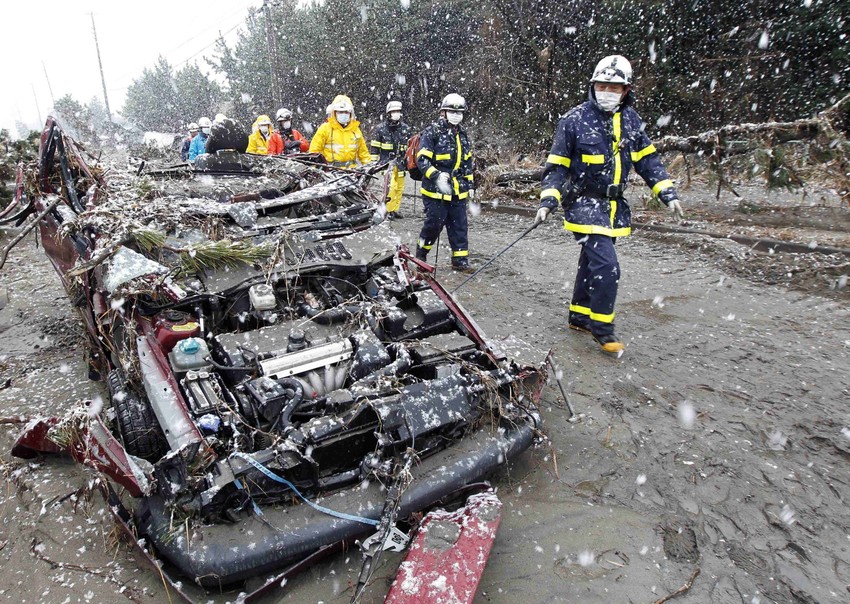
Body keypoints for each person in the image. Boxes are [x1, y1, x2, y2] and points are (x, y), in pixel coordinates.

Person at [534, 54, 685, 354]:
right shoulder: (573, 120)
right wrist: (548, 200)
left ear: (626, 90)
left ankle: (579, 315)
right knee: (607, 266)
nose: (607, 92)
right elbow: (557, 167)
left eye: (615, 88)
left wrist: (667, 193)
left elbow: (648, 160)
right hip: (582, 203)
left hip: (613, 206)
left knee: (591, 261)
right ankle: (602, 329)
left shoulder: (631, 121)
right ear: (592, 85)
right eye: (602, 85)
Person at [414, 93, 476, 273]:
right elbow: (422, 160)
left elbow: (467, 164)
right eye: (452, 111)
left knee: (459, 226)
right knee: (434, 224)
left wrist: (470, 186)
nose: (456, 115)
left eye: (460, 112)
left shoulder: (463, 135)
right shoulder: (432, 132)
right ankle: (421, 254)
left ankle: (460, 261)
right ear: (443, 112)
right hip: (435, 191)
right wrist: (435, 175)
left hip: (458, 191)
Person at [370, 100, 411, 219]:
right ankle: (387, 210)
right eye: (394, 111)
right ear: (388, 113)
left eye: (398, 111)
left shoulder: (405, 128)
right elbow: (375, 147)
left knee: (399, 188)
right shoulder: (380, 129)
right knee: (391, 187)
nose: (396, 113)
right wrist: (374, 163)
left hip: (401, 163)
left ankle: (394, 210)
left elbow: (409, 147)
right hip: (386, 163)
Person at [308, 95, 371, 167]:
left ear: (351, 113)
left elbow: (363, 153)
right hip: (330, 172)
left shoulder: (355, 130)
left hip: (352, 172)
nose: (343, 114)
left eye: (346, 112)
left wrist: (369, 166)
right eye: (340, 112)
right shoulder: (325, 129)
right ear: (334, 113)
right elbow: (314, 151)